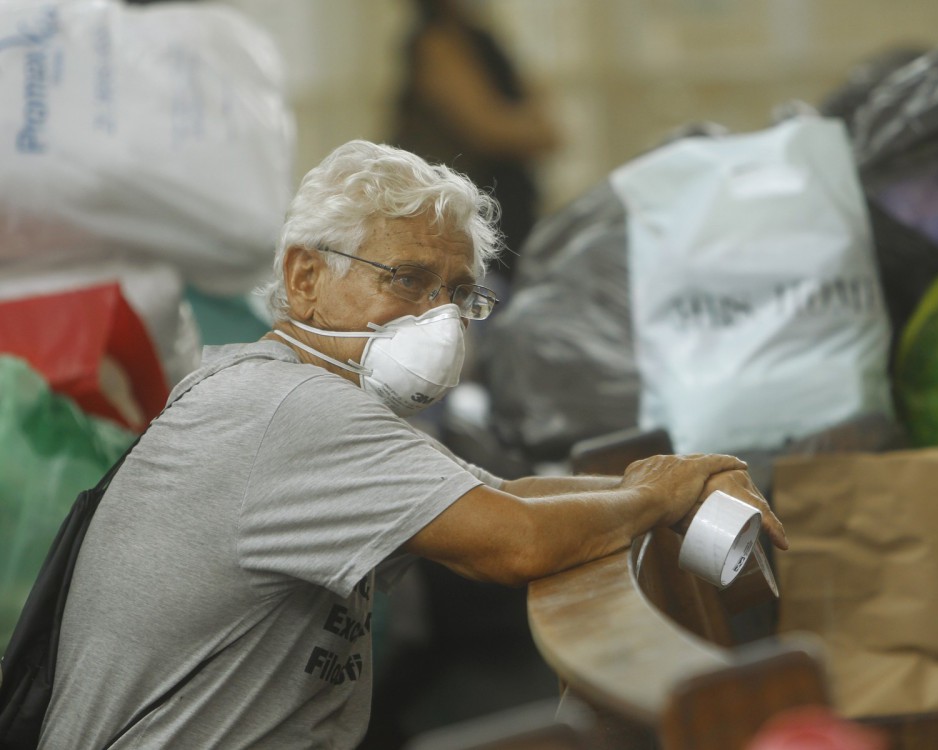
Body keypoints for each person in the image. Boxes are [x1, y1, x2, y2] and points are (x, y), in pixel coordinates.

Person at [37, 140, 787, 749]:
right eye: (409, 280)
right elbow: (515, 541)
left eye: (460, 294)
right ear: (305, 278)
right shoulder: (293, 409)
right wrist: (659, 493)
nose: (440, 319)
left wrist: (672, 481)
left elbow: (498, 497)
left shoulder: (291, 395)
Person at [393, 0, 559, 286]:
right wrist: (524, 128)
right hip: (468, 212)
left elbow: (549, 131)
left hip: (503, 206)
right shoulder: (437, 42)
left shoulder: (479, 38)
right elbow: (489, 129)